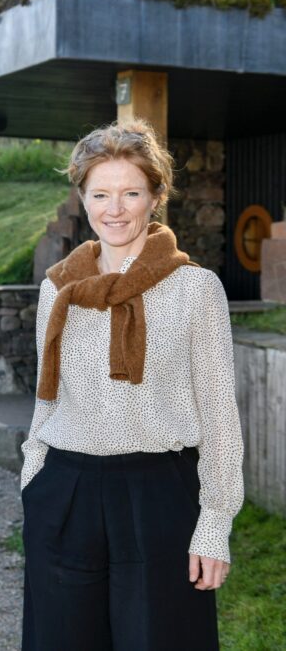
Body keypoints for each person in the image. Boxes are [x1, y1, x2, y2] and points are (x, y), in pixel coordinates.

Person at [20, 119, 244, 650]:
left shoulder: (196, 289)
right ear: (83, 198)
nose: (114, 209)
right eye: (100, 194)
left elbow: (219, 413)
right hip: (66, 490)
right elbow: (48, 398)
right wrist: (34, 475)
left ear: (156, 197)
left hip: (158, 494)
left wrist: (215, 522)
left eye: (131, 193)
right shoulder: (58, 289)